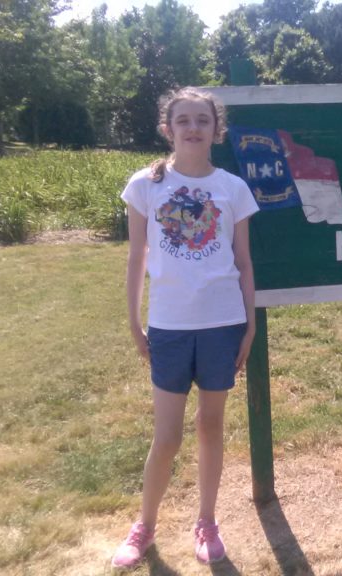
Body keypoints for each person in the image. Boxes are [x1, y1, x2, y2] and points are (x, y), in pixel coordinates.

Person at [111, 87, 259, 568]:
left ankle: (207, 521)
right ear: (167, 129)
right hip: (169, 327)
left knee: (211, 425)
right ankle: (145, 525)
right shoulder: (145, 186)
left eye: (202, 120)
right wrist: (134, 321)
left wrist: (250, 324)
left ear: (217, 129)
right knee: (168, 435)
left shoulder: (233, 189)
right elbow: (137, 257)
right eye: (183, 120)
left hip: (222, 324)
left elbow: (243, 260)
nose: (193, 128)